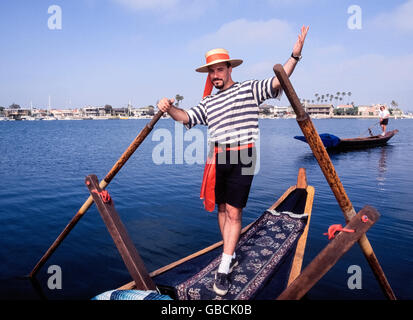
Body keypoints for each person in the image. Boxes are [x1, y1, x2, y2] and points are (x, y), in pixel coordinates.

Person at [157, 25, 309, 296]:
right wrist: (168, 108)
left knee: (235, 212)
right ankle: (231, 253)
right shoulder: (208, 103)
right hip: (218, 158)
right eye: (211, 71)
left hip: (244, 155)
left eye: (219, 69)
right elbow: (186, 118)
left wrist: (294, 56)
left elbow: (278, 80)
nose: (215, 75)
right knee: (222, 210)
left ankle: (224, 267)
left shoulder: (249, 89)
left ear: (229, 69)